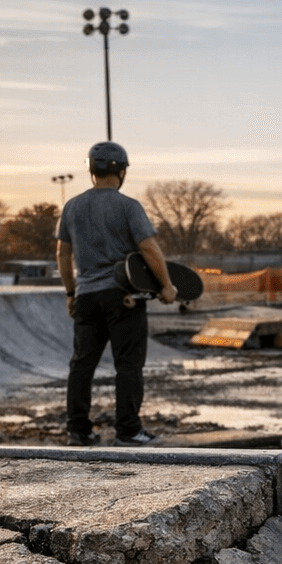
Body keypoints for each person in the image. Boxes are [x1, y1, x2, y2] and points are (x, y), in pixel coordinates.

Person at [56, 141, 176, 446]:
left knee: (82, 363)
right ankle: (128, 431)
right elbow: (149, 247)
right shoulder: (128, 206)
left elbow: (62, 253)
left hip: (86, 296)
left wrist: (71, 292)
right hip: (123, 296)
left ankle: (78, 430)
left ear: (91, 171)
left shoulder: (72, 206)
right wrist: (166, 285)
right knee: (128, 365)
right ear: (121, 171)